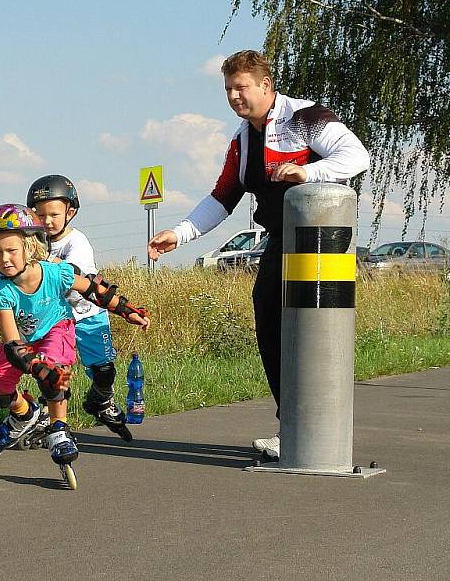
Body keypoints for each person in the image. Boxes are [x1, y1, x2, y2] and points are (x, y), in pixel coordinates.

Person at [147, 50, 369, 460]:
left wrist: (309, 173)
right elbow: (222, 197)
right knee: (268, 317)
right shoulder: (242, 139)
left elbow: (357, 157)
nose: (234, 96)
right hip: (281, 238)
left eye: (241, 87)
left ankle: (323, 428)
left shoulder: (306, 116)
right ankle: (293, 425)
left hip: (321, 239)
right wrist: (178, 235)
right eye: (228, 89)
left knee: (314, 328)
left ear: (266, 86)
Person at [0, 203, 150, 471]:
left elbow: (95, 290)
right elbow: (12, 343)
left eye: (11, 250)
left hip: (58, 329)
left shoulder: (56, 273)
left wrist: (127, 311)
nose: (5, 259)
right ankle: (25, 414)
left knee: (55, 372)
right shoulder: (1, 290)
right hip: (24, 342)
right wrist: (34, 366)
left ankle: (59, 428)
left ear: (29, 247)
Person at [26, 174, 133, 441]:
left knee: (104, 370)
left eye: (53, 214)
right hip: (55, 320)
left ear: (70, 212)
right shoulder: (34, 240)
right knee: (55, 372)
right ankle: (51, 420)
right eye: (40, 215)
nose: (47, 221)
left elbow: (73, 275)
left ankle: (101, 400)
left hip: (89, 316)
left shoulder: (77, 242)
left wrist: (43, 259)